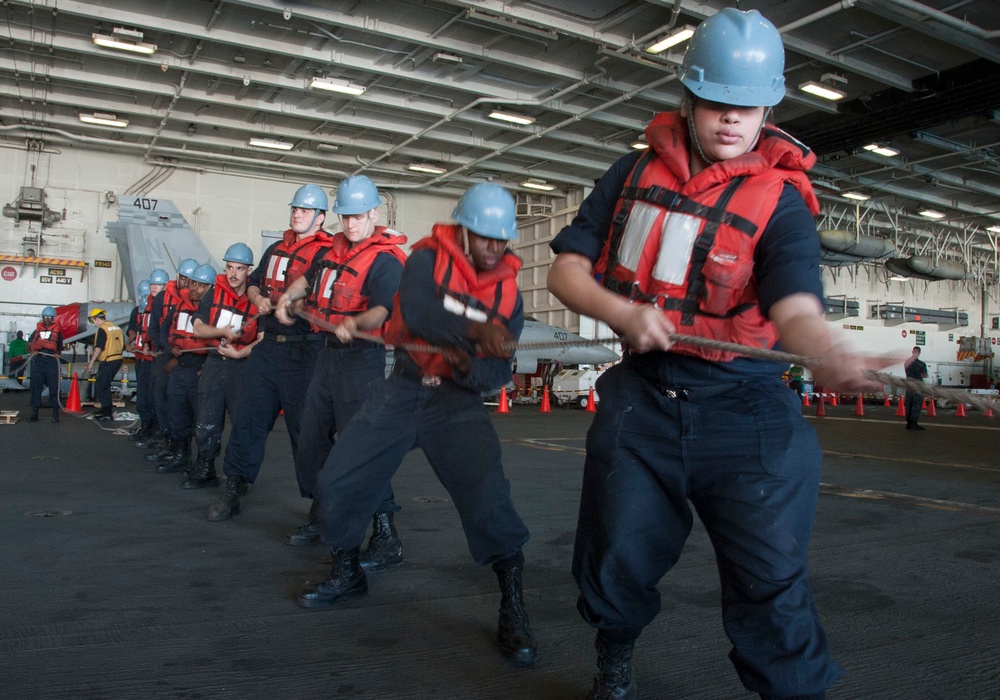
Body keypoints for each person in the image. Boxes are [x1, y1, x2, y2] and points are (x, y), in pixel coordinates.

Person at [545, 10, 891, 700]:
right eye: (717, 103)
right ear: (688, 96)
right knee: (616, 552)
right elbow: (565, 272)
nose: (732, 120)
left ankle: (793, 691)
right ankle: (614, 655)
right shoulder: (632, 173)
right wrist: (623, 313)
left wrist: (823, 349)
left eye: (749, 106)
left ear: (769, 106)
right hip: (643, 397)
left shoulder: (781, 204)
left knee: (771, 578)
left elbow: (795, 302)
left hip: (745, 412)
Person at [296, 183, 537, 667]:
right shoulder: (427, 258)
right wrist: (474, 332)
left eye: (501, 240)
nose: (493, 248)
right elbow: (422, 309)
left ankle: (513, 604)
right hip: (404, 389)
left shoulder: (509, 295)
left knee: (490, 502)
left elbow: (497, 373)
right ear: (463, 231)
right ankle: (348, 571)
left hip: (456, 402)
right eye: (483, 237)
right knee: (338, 479)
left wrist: (479, 361)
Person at [275, 175, 408, 567]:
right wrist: (288, 296)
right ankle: (324, 515)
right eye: (345, 217)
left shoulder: (385, 261)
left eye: (358, 217)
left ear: (374, 213)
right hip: (327, 357)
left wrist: (358, 322)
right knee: (312, 442)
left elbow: (384, 307)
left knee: (361, 449)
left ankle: (386, 537)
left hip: (360, 364)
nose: (350, 225)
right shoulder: (333, 250)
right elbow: (310, 277)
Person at [207, 184, 333, 522]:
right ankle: (233, 487)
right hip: (267, 350)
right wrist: (256, 298)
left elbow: (322, 296)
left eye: (305, 211)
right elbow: (254, 282)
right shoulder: (276, 248)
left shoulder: (327, 254)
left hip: (303, 353)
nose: (297, 214)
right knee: (247, 420)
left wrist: (295, 304)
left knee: (306, 432)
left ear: (321, 218)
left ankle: (320, 505)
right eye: (295, 209)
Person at [186, 243, 261, 489]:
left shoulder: (256, 299)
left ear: (249, 270)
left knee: (242, 424)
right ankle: (205, 467)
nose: (233, 274)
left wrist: (240, 354)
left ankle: (237, 478)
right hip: (215, 364)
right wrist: (221, 331)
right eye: (230, 267)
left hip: (242, 369)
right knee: (206, 419)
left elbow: (262, 339)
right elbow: (198, 328)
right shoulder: (213, 294)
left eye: (240, 268)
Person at [156, 263, 216, 474]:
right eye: (193, 283)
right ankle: (181, 454)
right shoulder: (178, 306)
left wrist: (208, 367)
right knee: (177, 412)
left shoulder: (213, 311)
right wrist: (169, 348)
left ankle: (203, 463)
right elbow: (164, 330)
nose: (195, 288)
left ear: (210, 288)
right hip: (180, 367)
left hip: (201, 368)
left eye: (201, 285)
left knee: (203, 419)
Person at [140, 261, 197, 455]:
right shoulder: (163, 299)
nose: (186, 283)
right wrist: (167, 348)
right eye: (183, 278)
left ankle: (181, 446)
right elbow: (155, 327)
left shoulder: (200, 302)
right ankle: (166, 439)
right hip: (165, 354)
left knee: (182, 403)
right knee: (160, 396)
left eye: (191, 280)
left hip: (189, 360)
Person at [126, 279, 156, 442]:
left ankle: (153, 430)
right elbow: (134, 330)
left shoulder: (157, 311)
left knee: (152, 397)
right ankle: (145, 427)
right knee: (143, 395)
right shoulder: (137, 312)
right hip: (141, 359)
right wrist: (130, 343)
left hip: (152, 361)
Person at [85, 308, 124, 422]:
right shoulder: (116, 327)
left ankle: (107, 412)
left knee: (102, 386)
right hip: (117, 359)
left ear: (97, 319)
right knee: (104, 384)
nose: (95, 324)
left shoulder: (103, 329)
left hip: (108, 360)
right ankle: (105, 409)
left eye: (94, 321)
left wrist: (91, 363)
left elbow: (99, 347)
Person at [27, 307, 63, 422]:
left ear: (53, 318)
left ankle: (55, 414)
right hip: (38, 361)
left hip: (51, 361)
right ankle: (34, 414)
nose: (47, 319)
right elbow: (28, 345)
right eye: (45, 317)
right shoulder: (36, 331)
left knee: (54, 387)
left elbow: (59, 348)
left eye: (49, 317)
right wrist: (32, 352)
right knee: (36, 387)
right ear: (42, 317)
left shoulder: (58, 332)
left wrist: (57, 354)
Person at [903, 346, 928, 430]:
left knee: (909, 403)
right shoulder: (921, 364)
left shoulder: (907, 362)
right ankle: (913, 423)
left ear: (912, 351)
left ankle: (908, 423)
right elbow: (924, 375)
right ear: (919, 353)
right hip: (917, 386)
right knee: (916, 404)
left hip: (908, 385)